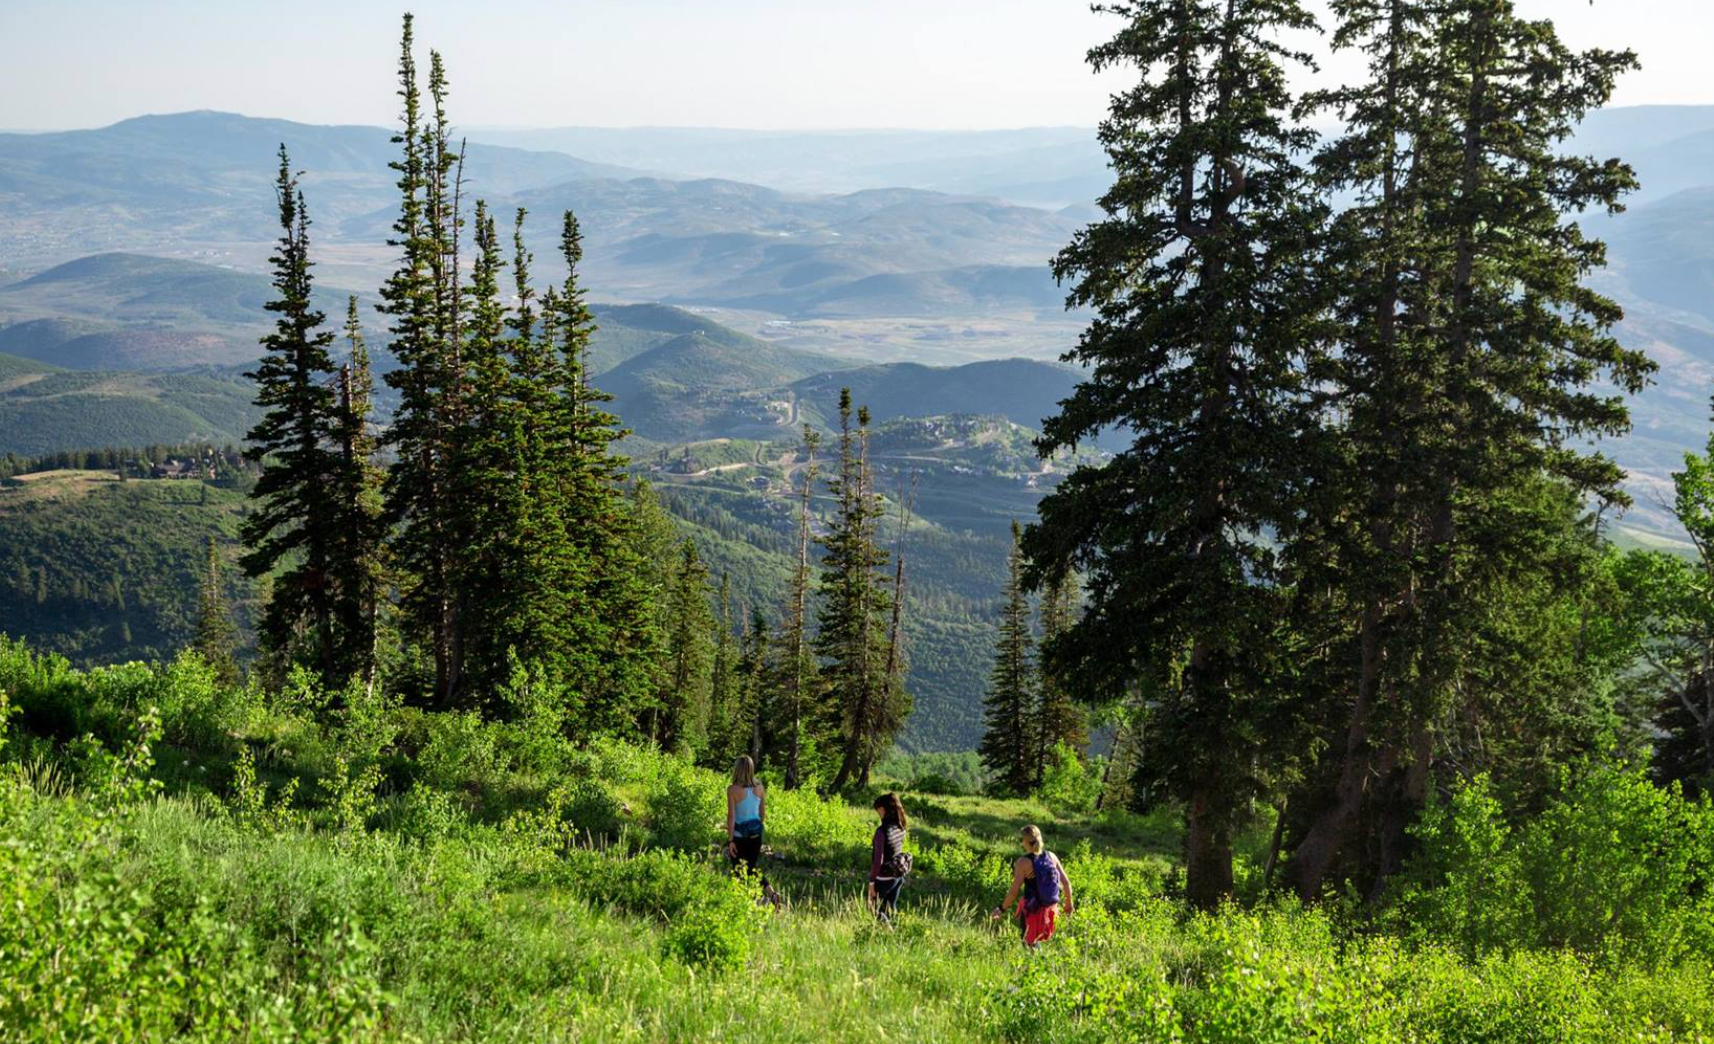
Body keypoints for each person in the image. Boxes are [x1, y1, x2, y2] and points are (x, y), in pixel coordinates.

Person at [990, 824, 1074, 946]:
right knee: (1037, 942)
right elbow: (1066, 883)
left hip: (1032, 910)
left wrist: (1001, 908)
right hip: (1050, 909)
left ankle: (1039, 964)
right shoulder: (1051, 856)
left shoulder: (1023, 862)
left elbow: (1014, 892)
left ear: (1025, 841)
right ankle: (1041, 963)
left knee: (1029, 943)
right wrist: (1069, 905)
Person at [725, 756, 781, 908]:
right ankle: (772, 895)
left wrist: (730, 841)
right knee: (752, 867)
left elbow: (731, 817)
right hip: (756, 835)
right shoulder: (760, 788)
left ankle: (736, 905)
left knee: (738, 869)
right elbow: (762, 814)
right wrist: (755, 828)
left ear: (737, 769)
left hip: (739, 837)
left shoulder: (732, 790)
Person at [867, 793, 912, 924]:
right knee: (890, 909)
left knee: (874, 909)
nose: (878, 813)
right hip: (898, 876)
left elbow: (877, 861)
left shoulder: (881, 832)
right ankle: (897, 934)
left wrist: (871, 882)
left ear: (883, 809)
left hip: (884, 878)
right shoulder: (900, 826)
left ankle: (889, 934)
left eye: (878, 810)